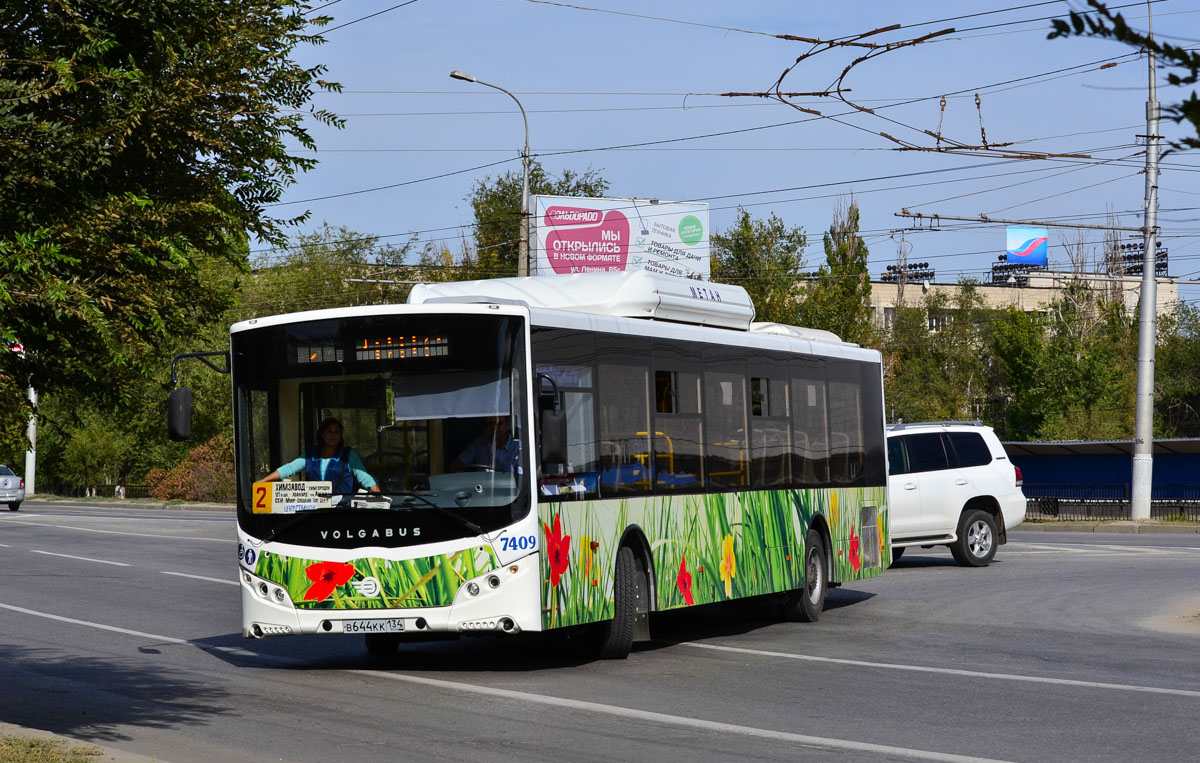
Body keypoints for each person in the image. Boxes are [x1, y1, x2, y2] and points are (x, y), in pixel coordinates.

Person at [263, 417, 381, 494]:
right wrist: (264, 481)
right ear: (322, 434)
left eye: (337, 432)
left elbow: (364, 477)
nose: (333, 435)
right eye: (329, 431)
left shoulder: (348, 454)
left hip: (342, 510)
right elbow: (290, 468)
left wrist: (378, 494)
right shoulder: (311, 455)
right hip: (316, 510)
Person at [450, 415, 521, 473]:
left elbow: (522, 475)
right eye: (491, 424)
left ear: (508, 425)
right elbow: (456, 465)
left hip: (508, 489)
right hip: (482, 488)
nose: (494, 428)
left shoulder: (517, 446)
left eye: (499, 423)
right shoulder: (480, 442)